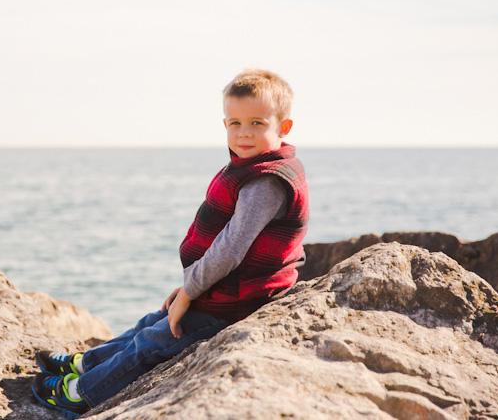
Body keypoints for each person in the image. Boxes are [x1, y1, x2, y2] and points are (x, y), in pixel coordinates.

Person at [31, 68, 309, 419]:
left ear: (283, 128)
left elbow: (230, 249)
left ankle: (82, 393)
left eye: (257, 123)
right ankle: (88, 363)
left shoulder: (266, 183)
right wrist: (188, 289)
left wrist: (190, 292)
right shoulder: (253, 165)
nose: (244, 133)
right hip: (225, 289)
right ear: (224, 124)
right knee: (152, 320)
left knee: (156, 341)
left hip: (243, 300)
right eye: (235, 123)